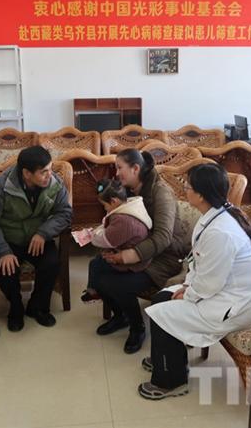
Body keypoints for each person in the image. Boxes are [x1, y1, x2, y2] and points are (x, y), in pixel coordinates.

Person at [138, 163, 251, 400]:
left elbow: (210, 283)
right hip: (221, 291)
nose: (184, 190)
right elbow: (199, 263)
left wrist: (188, 293)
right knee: (161, 298)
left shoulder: (221, 232)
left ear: (202, 194)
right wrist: (187, 286)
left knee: (160, 315)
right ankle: (169, 358)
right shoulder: (216, 215)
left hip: (235, 305)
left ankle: (172, 381)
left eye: (188, 186)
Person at [88, 149, 189, 355]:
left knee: (116, 283)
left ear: (135, 168)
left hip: (164, 258)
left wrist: (127, 256)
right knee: (96, 267)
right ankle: (121, 316)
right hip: (140, 249)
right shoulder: (129, 190)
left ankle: (137, 327)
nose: (116, 173)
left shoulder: (161, 193)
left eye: (119, 168)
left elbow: (163, 237)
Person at [0, 145, 72, 332]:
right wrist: (3, 251)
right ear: (27, 173)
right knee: (6, 270)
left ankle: (38, 307)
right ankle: (16, 307)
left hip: (38, 238)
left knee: (51, 263)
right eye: (44, 172)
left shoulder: (55, 183)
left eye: (50, 169)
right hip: (9, 239)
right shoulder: (1, 186)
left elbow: (65, 213)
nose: (50, 175)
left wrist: (43, 233)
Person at [81, 178, 153, 303]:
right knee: (98, 261)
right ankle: (94, 291)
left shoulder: (123, 220)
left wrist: (92, 234)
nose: (105, 209)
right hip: (132, 253)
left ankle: (94, 292)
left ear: (114, 201)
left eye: (104, 205)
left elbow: (103, 240)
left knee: (96, 266)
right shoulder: (132, 206)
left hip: (134, 263)